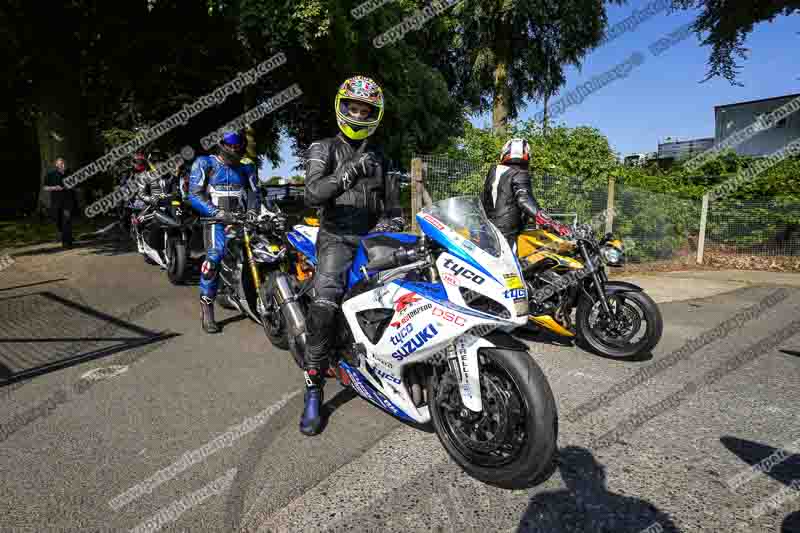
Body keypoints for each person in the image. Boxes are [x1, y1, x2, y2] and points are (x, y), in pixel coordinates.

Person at [300, 75, 404, 436]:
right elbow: (312, 194)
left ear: (375, 114)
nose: (359, 114)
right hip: (336, 238)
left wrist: (395, 222)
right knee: (325, 305)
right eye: (353, 107)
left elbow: (391, 204)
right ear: (342, 108)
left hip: (373, 240)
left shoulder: (382, 156)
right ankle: (313, 388)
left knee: (404, 298)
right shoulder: (323, 148)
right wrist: (347, 173)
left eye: (366, 109)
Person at [188, 131, 261, 334]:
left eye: (238, 144)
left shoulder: (247, 167)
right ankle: (207, 307)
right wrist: (218, 213)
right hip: (214, 221)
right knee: (213, 259)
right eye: (231, 144)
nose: (235, 148)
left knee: (262, 250)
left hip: (241, 219)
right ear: (221, 144)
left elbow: (255, 193)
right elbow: (194, 194)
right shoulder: (205, 163)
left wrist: (253, 211)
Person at [480, 138, 572, 253]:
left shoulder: (493, 172)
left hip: (487, 232)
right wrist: (549, 222)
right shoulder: (519, 174)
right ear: (527, 155)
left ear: (504, 153)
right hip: (507, 236)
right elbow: (524, 199)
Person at [42, 157, 77, 249]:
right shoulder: (50, 175)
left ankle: (67, 243)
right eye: (61, 164)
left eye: (64, 163)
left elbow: (76, 184)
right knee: (58, 221)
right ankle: (67, 236)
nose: (63, 165)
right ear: (56, 165)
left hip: (68, 201)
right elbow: (45, 187)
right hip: (56, 202)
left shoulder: (71, 174)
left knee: (67, 220)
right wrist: (54, 188)